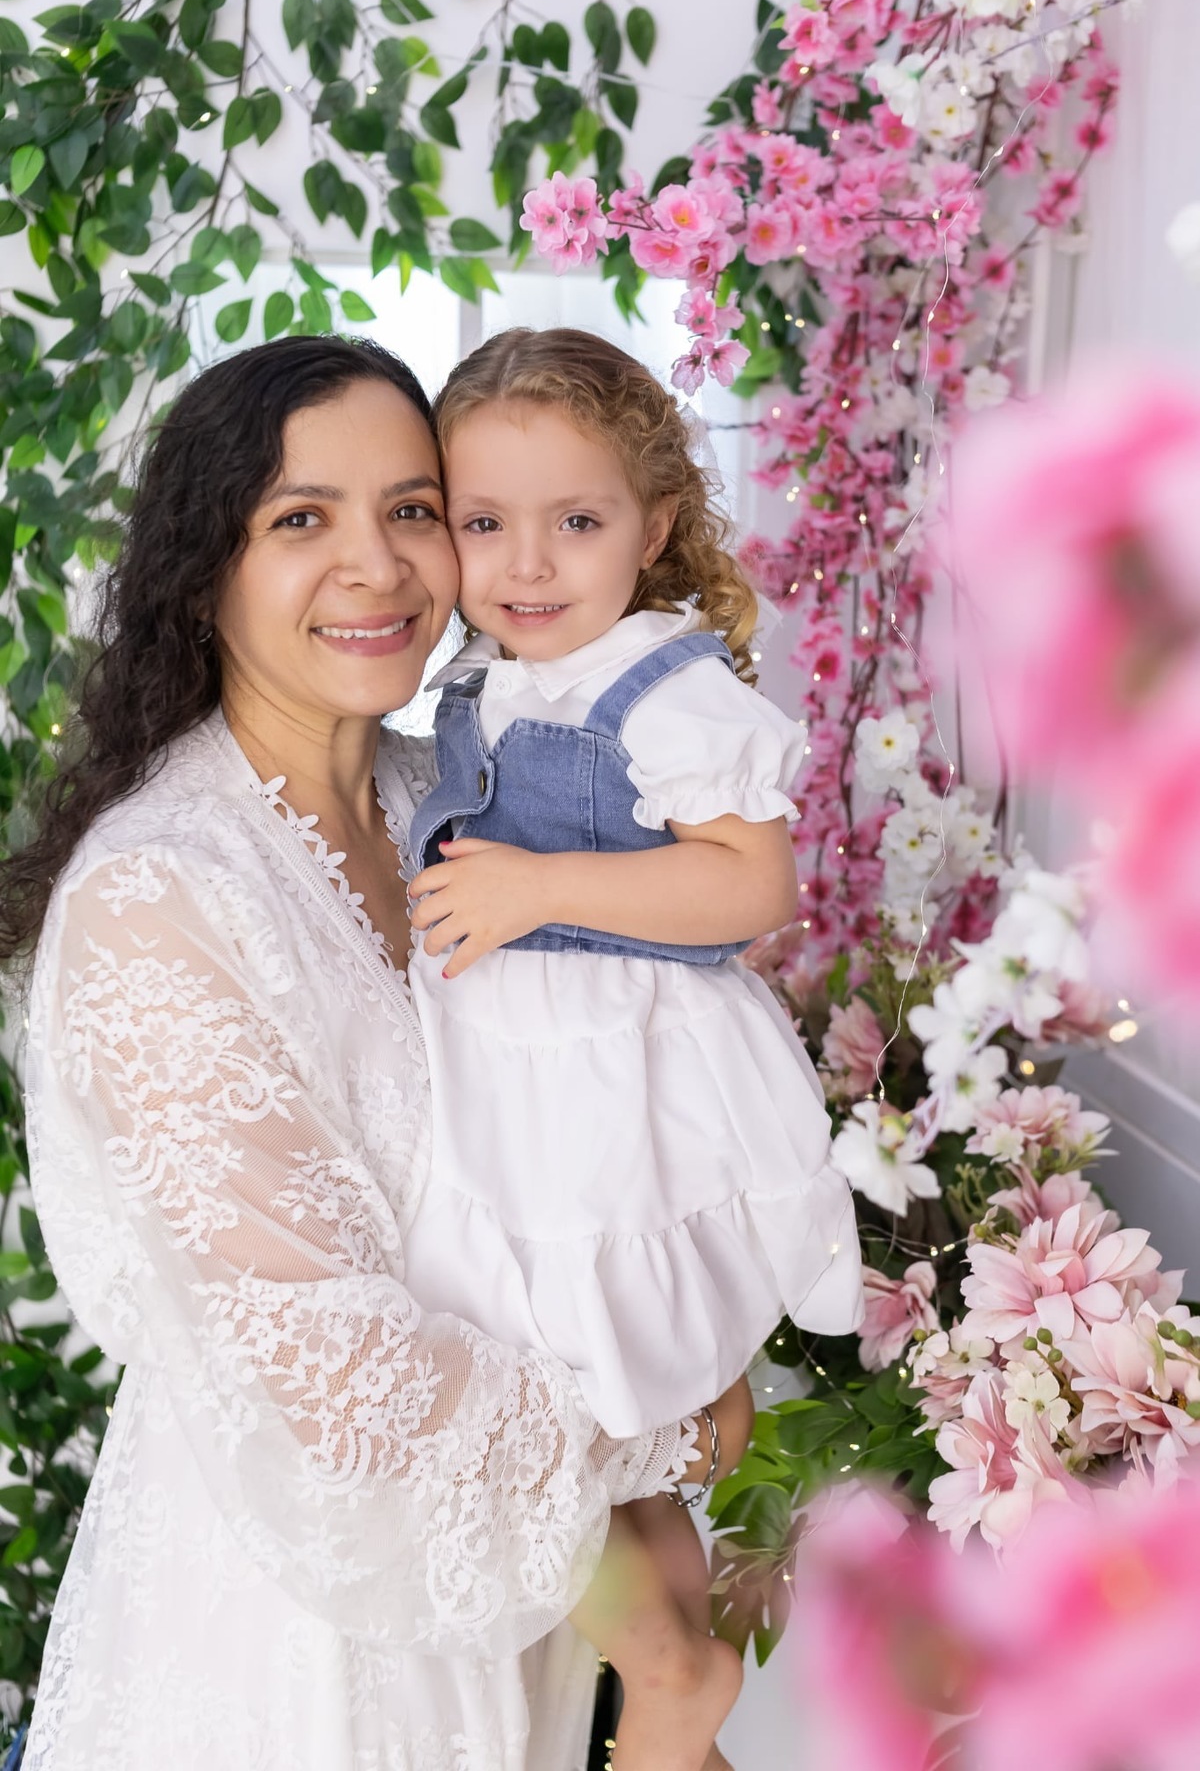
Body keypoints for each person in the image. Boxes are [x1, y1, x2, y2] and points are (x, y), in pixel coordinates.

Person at [0, 334, 753, 1770]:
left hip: (536, 1601)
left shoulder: (456, 800)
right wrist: (659, 1415)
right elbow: (333, 1389)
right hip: (304, 1646)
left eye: (414, 509)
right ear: (203, 570)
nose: (379, 565)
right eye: (302, 518)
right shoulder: (162, 896)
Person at [402, 327, 866, 1771]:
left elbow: (750, 887)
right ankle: (676, 1689)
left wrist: (541, 889)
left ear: (653, 528)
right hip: (522, 1087)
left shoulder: (664, 689)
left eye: (578, 522)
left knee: (542, 1400)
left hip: (605, 1098)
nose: (527, 564)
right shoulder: (490, 673)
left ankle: (664, 1681)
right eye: (485, 523)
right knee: (593, 1429)